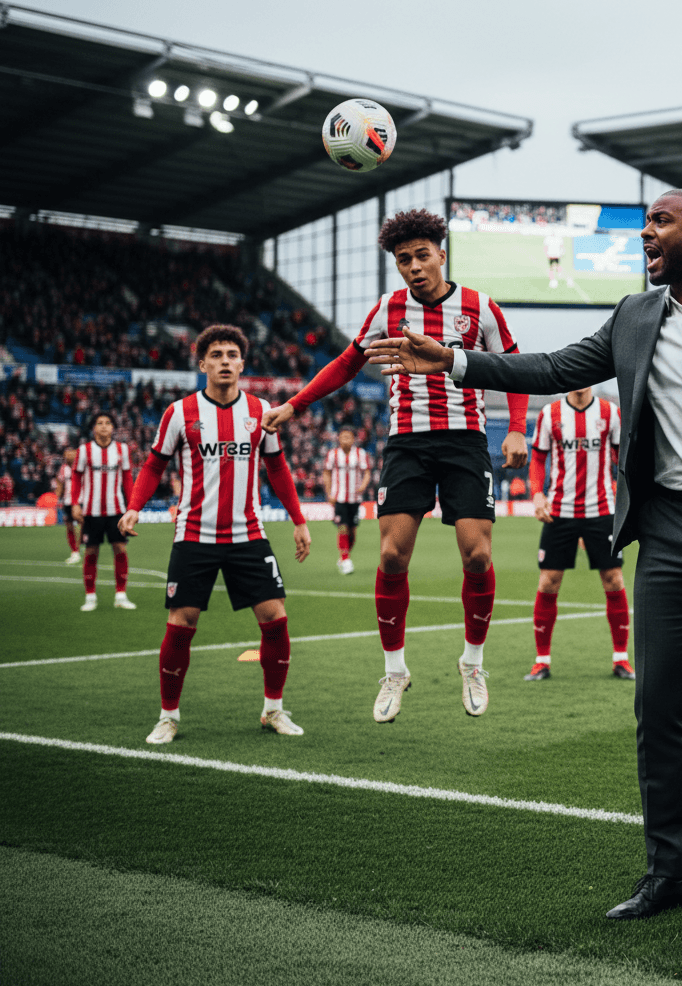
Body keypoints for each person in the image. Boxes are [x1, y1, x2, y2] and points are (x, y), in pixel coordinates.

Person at [368, 189, 682, 935]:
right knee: (656, 707)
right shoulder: (635, 315)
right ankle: (666, 874)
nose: (647, 232)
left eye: (660, 222)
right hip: (666, 531)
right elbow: (550, 367)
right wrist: (450, 359)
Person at [263, 208, 529, 723]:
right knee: (390, 557)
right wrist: (294, 404)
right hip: (406, 443)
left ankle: (472, 663)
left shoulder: (480, 309)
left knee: (476, 556)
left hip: (465, 440)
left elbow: (514, 369)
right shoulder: (388, 309)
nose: (413, 266)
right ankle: (394, 670)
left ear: (441, 255)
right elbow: (347, 362)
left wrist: (516, 426)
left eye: (421, 255)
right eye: (403, 259)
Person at [118, 324, 312, 745]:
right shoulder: (180, 413)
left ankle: (273, 710)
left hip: (248, 535)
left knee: (275, 619)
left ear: (242, 364)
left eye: (232, 355)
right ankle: (168, 717)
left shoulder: (261, 411)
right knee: (181, 623)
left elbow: (277, 468)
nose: (225, 361)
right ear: (202, 363)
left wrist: (298, 520)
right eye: (217, 355)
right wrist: (134, 506)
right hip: (194, 536)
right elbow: (154, 465)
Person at [524, 387, 634, 682]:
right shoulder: (550, 414)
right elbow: (537, 459)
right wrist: (536, 495)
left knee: (614, 579)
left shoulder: (610, 413)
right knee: (548, 582)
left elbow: (622, 458)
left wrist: (625, 495)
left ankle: (621, 659)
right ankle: (541, 661)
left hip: (601, 509)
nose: (581, 382)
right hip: (560, 510)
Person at [72, 412, 135, 611]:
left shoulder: (122, 449)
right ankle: (90, 597)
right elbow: (76, 477)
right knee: (91, 552)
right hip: (91, 511)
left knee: (120, 550)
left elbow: (127, 478)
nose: (104, 426)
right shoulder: (84, 450)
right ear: (93, 428)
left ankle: (121, 595)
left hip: (116, 510)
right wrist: (75, 503)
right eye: (100, 423)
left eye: (108, 423)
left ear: (113, 428)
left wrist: (132, 506)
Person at [322, 422, 371, 574]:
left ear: (353, 439)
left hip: (355, 498)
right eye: (343, 437)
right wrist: (329, 493)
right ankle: (345, 559)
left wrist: (363, 485)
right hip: (339, 497)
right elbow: (327, 473)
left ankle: (344, 555)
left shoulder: (360, 454)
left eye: (348, 437)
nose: (345, 439)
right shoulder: (333, 454)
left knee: (353, 532)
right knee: (342, 527)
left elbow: (367, 472)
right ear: (338, 438)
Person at [56, 447, 81, 565]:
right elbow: (60, 484)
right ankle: (75, 552)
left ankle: (83, 544)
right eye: (66, 455)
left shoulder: (83, 467)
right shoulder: (63, 469)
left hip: (82, 500)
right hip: (68, 501)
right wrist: (56, 497)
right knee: (70, 526)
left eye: (71, 455)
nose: (68, 457)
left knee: (84, 524)